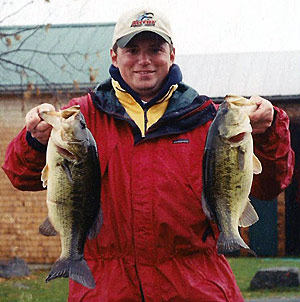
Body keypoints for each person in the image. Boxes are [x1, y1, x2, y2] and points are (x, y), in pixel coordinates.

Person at [2, 7, 294, 302]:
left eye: (155, 49)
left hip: (196, 291)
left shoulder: (210, 119)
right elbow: (19, 175)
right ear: (114, 56)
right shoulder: (80, 117)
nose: (144, 60)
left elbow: (270, 185)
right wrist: (34, 140)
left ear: (172, 54)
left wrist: (269, 133)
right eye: (132, 49)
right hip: (107, 291)